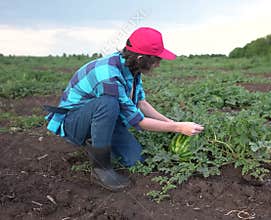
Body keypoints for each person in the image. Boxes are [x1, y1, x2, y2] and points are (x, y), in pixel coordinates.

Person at [45, 27, 204, 191]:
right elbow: (139, 121)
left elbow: (141, 104)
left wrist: (172, 123)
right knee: (108, 103)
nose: (158, 64)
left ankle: (97, 139)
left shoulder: (132, 68)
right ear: (141, 58)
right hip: (74, 123)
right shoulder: (108, 74)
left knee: (135, 159)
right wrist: (178, 127)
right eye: (156, 59)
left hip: (102, 118)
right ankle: (101, 169)